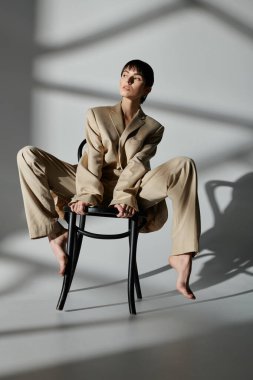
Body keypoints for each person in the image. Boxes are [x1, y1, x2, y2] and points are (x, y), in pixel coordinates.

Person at [17, 59, 200, 300]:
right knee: (27, 155)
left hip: (134, 189)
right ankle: (54, 232)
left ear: (147, 90)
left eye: (136, 78)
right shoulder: (97, 115)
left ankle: (182, 254)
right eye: (125, 75)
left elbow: (138, 165)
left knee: (185, 165)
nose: (127, 81)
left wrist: (126, 197)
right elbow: (92, 157)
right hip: (89, 182)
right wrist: (86, 195)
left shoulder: (154, 128)